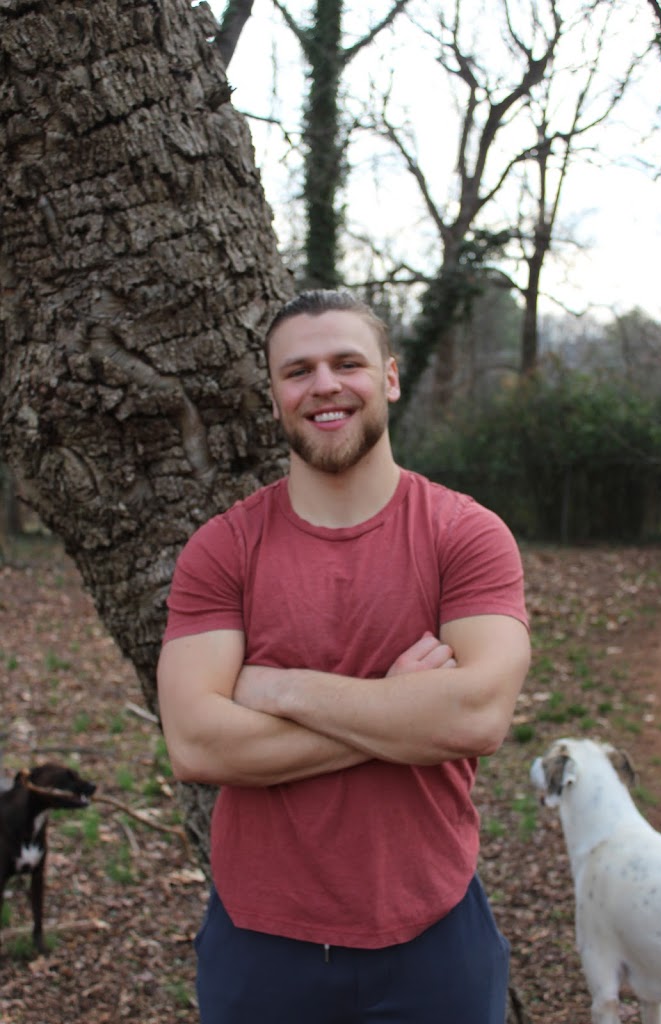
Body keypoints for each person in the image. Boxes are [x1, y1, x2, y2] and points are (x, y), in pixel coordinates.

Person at [157, 289, 530, 1024]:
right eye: (298, 371)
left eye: (346, 363)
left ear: (388, 378)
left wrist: (282, 688)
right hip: (259, 944)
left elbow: (476, 716)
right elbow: (198, 744)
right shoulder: (224, 549)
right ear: (274, 398)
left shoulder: (466, 535)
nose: (323, 385)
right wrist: (398, 710)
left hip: (433, 933)